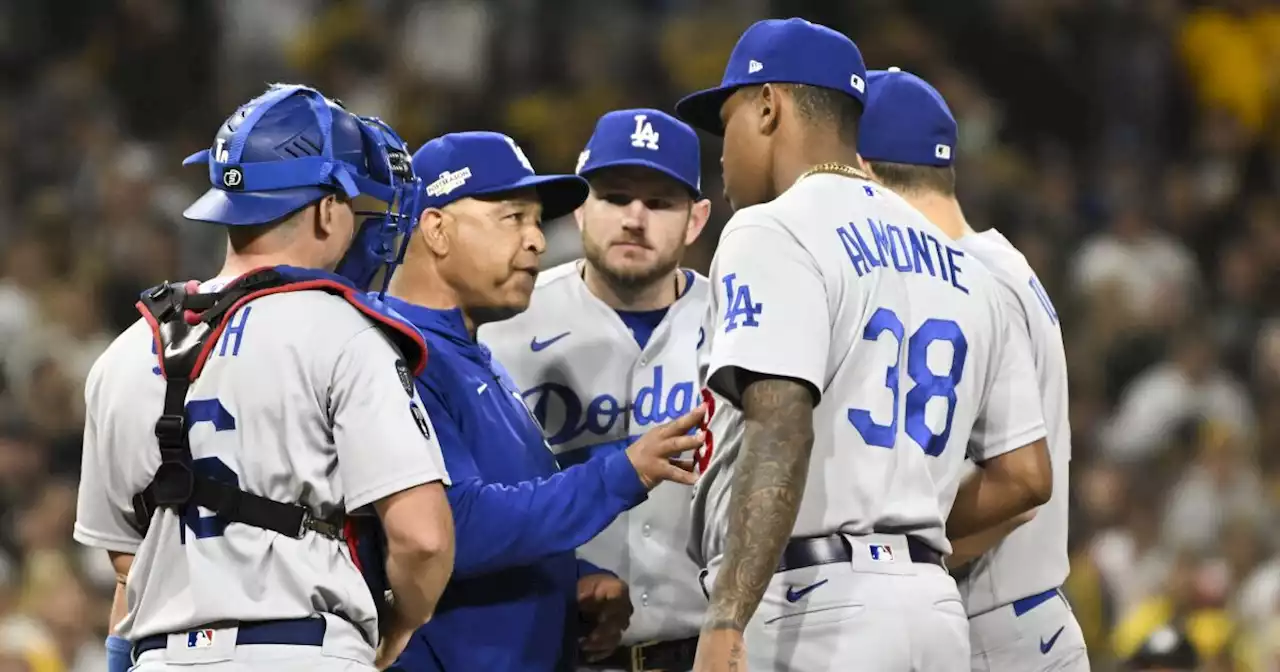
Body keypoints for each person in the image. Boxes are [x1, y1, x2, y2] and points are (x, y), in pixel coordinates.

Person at [672, 18, 1051, 671]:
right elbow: (1025, 472)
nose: (722, 153)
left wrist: (728, 615)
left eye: (726, 121)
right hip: (932, 609)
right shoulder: (966, 265)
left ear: (769, 107)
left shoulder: (773, 229)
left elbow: (782, 424)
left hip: (810, 607)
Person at [72, 84, 456, 672]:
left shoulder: (120, 356)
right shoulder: (343, 332)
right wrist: (401, 623)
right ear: (329, 209)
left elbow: (128, 563)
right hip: (301, 651)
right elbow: (423, 538)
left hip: (162, 657)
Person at [381, 131, 708, 672]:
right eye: (513, 218)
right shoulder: (397, 352)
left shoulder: (474, 355)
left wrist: (569, 584)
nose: (536, 240)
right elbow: (455, 527)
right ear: (436, 229)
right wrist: (620, 472)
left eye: (538, 221)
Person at [856, 67, 1089, 671]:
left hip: (995, 627)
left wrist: (886, 549)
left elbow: (1017, 488)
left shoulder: (964, 276)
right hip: (1012, 622)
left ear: (862, 170)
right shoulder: (996, 261)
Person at [478, 108, 712, 671]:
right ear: (580, 209)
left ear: (696, 220)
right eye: (614, 197)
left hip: (701, 648)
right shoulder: (506, 321)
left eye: (659, 203)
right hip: (555, 647)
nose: (635, 218)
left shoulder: (737, 324)